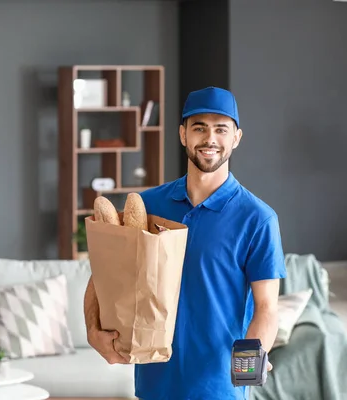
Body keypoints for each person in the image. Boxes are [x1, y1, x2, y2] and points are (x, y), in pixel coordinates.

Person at [83, 86, 287, 400]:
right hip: (153, 382)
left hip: (218, 387)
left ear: (236, 138)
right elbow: (104, 275)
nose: (210, 139)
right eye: (199, 128)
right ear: (183, 134)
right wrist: (93, 330)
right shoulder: (148, 204)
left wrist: (248, 369)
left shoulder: (257, 218)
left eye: (221, 129)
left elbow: (266, 307)